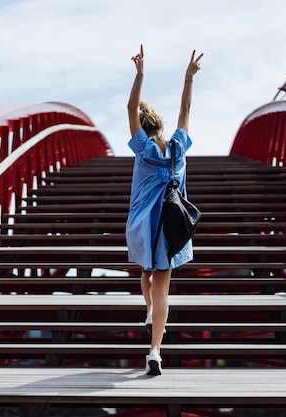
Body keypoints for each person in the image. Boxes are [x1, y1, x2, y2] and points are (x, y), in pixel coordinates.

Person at [125, 45, 203, 376]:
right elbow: (186, 108)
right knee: (162, 289)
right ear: (161, 125)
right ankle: (154, 351)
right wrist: (188, 78)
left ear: (143, 127)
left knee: (145, 273)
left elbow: (130, 106)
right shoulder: (178, 149)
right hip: (171, 228)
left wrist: (140, 74)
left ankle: (147, 310)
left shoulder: (142, 149)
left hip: (144, 226)